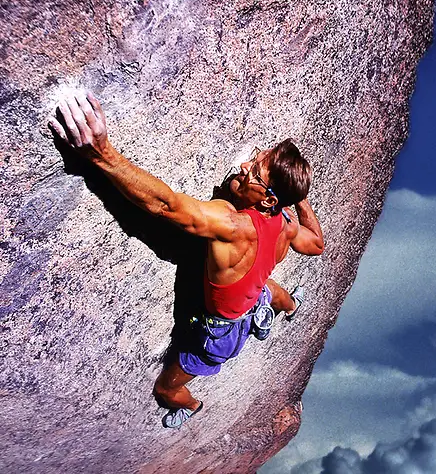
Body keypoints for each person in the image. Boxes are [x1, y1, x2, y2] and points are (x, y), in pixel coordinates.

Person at [50, 91, 324, 428]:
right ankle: (291, 308)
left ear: (268, 199)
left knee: (166, 389)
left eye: (253, 172)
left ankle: (190, 407)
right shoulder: (285, 223)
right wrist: (300, 199)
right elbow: (317, 246)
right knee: (268, 292)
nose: (242, 167)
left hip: (220, 332)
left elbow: (166, 205)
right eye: (254, 159)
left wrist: (102, 154)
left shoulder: (232, 224)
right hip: (254, 295)